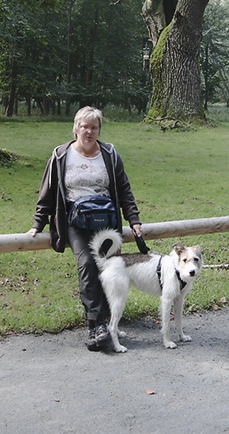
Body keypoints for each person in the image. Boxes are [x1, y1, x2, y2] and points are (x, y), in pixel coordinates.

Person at [29, 106, 143, 351]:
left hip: (106, 222)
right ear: (76, 128)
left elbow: (124, 189)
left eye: (94, 127)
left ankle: (108, 323)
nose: (89, 131)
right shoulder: (61, 155)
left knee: (109, 269)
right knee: (88, 264)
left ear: (99, 130)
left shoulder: (110, 154)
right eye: (85, 126)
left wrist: (133, 220)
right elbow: (46, 192)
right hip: (75, 222)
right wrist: (38, 223)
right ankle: (96, 324)